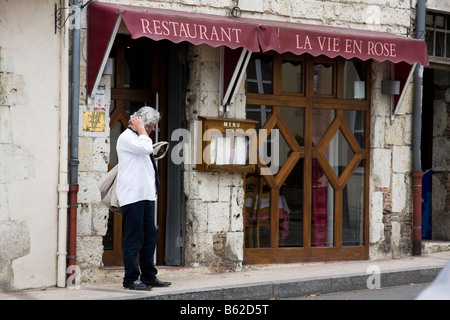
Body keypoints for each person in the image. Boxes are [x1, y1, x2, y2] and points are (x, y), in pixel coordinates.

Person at [116, 106, 171, 290]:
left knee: (150, 237)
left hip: (145, 196)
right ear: (145, 124)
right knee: (134, 239)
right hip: (132, 197)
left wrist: (142, 132)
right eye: (152, 126)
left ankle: (148, 276)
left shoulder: (141, 137)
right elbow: (146, 147)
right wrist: (141, 129)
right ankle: (130, 279)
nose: (153, 130)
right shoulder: (127, 138)